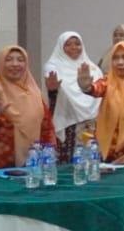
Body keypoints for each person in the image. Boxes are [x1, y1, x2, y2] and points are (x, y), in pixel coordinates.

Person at [0, 45, 54, 170]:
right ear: (0, 64)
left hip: (32, 167)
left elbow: (47, 129)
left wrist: (49, 159)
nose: (15, 64)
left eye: (20, 60)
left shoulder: (35, 95)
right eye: (9, 60)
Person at [43, 31, 100, 162]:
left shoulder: (93, 68)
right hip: (67, 121)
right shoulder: (53, 67)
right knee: (69, 165)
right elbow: (52, 93)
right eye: (68, 45)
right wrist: (52, 89)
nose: (74, 47)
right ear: (60, 47)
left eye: (77, 44)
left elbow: (99, 94)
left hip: (92, 123)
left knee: (91, 162)